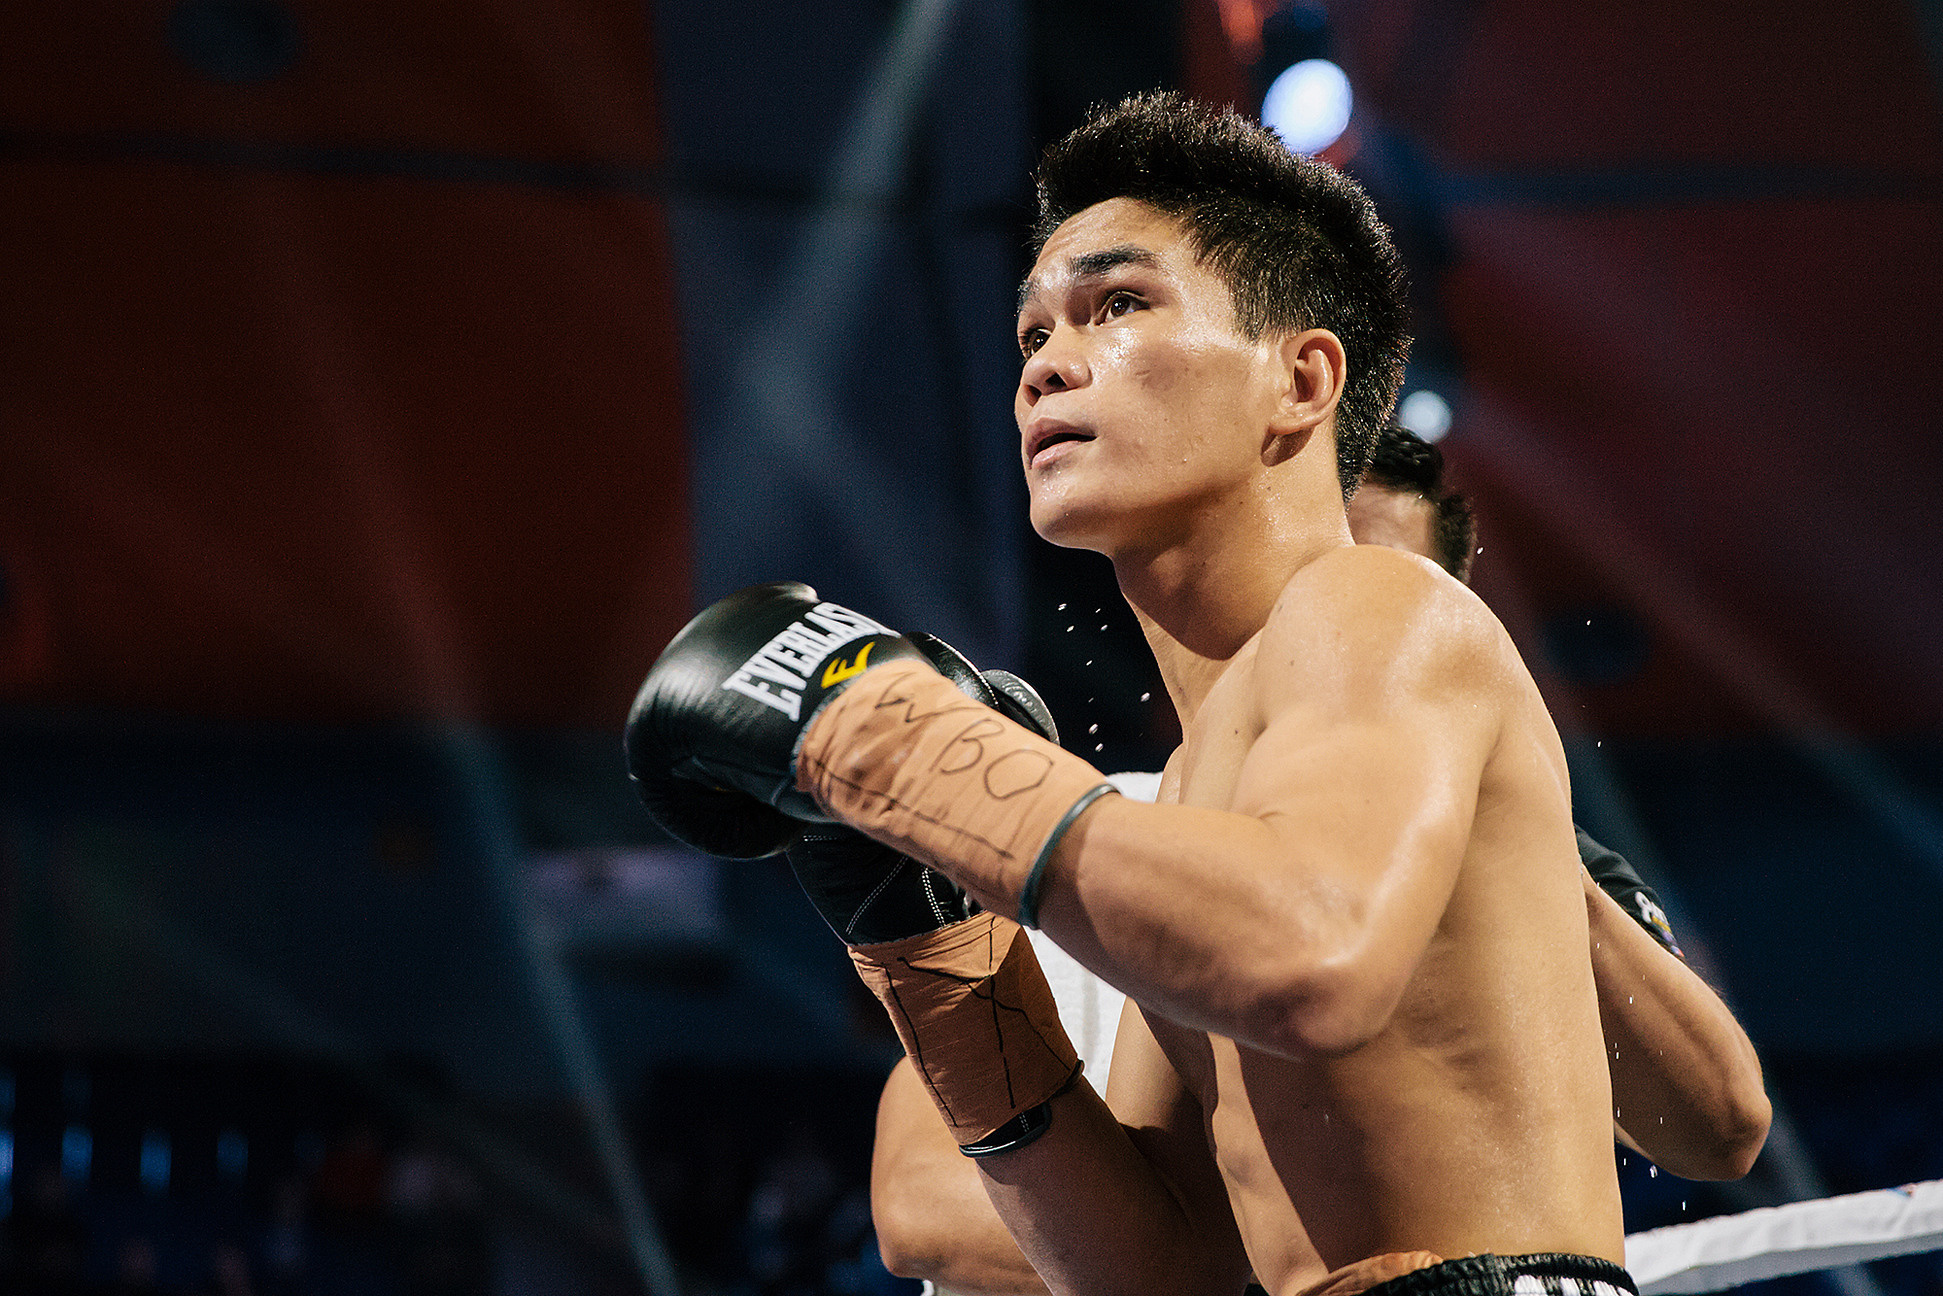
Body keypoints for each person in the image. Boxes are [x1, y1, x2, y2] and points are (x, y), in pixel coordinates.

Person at [629, 91, 1643, 1296]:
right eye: (1029, 336)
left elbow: (1312, 958)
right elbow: (1160, 1276)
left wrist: (894, 745)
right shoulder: (1197, 821)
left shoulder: (1374, 605)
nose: (1047, 363)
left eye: (1117, 305)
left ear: (1299, 379)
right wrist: (935, 963)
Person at [867, 424, 1770, 1296]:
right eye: (1302, 578)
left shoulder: (1543, 863)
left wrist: (1488, 849)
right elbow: (925, 1208)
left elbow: (1721, 1125)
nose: (1326, 620)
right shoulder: (1120, 831)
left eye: (1375, 585)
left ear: (1452, 613)